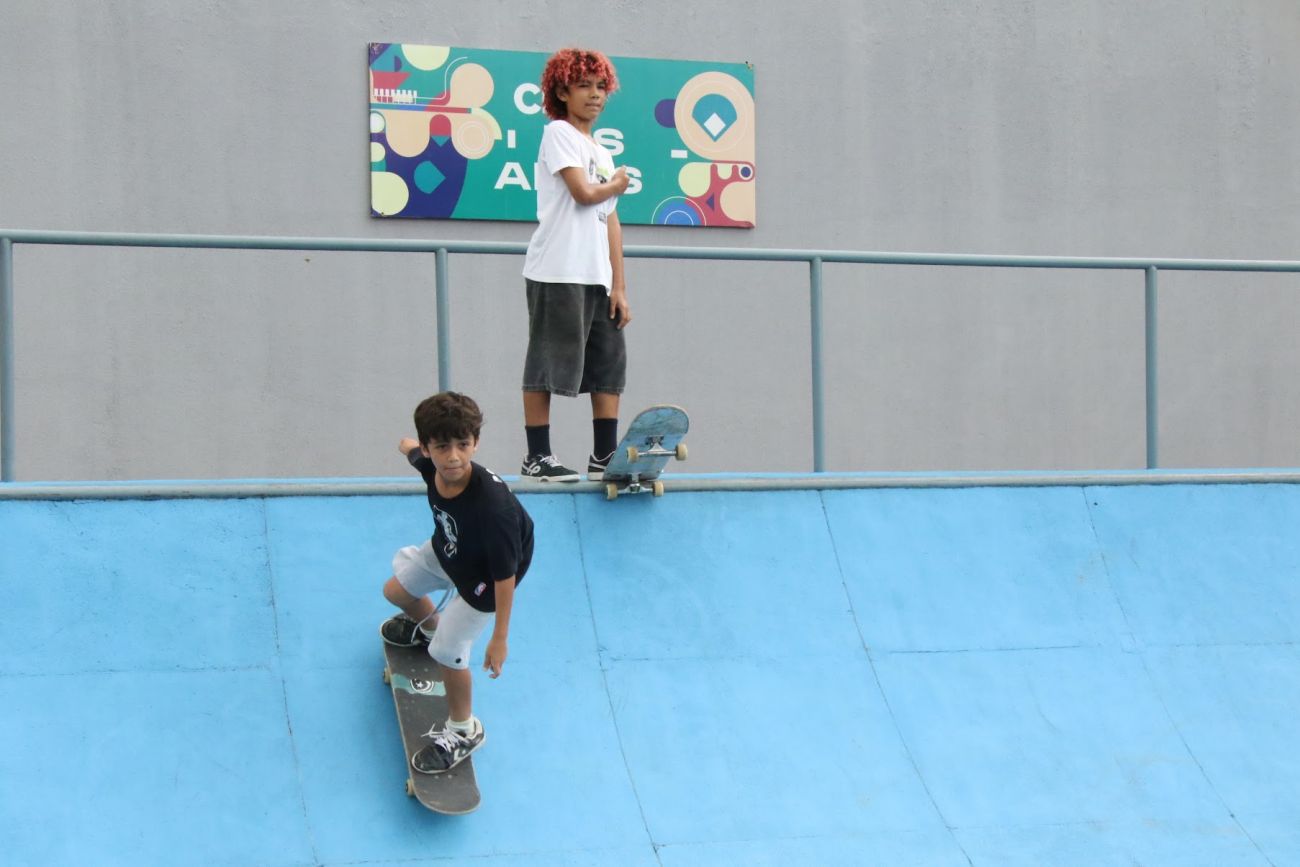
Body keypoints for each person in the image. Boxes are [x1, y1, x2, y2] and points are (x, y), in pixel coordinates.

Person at [379, 391, 534, 774]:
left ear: (475, 443)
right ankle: (430, 628)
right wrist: (406, 445)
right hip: (451, 548)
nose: (453, 458)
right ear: (428, 448)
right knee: (395, 592)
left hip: (487, 579)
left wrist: (499, 638)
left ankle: (464, 730)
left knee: (449, 652)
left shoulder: (493, 509)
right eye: (442, 447)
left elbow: (504, 578)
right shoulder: (429, 465)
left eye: (463, 445)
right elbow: (412, 451)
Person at [519, 47, 631, 482]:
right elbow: (584, 194)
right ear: (562, 92)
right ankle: (537, 456)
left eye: (601, 87)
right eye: (584, 86)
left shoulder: (600, 150)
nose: (595, 95)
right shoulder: (559, 133)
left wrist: (619, 286)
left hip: (596, 276)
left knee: (608, 364)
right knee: (547, 362)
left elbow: (611, 222)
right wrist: (616, 184)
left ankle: (604, 456)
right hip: (557, 269)